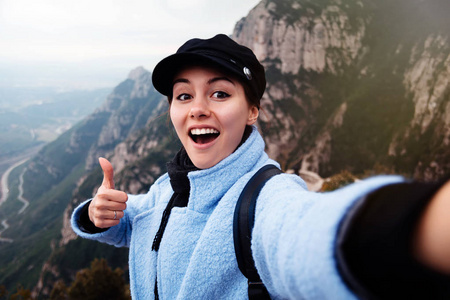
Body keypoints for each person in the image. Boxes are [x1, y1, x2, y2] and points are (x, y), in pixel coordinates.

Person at [71, 34, 450, 299]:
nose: (197, 108)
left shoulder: (267, 200)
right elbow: (138, 216)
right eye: (183, 95)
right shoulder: (168, 187)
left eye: (220, 93)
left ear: (253, 111)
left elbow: (304, 234)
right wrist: (96, 214)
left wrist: (413, 225)